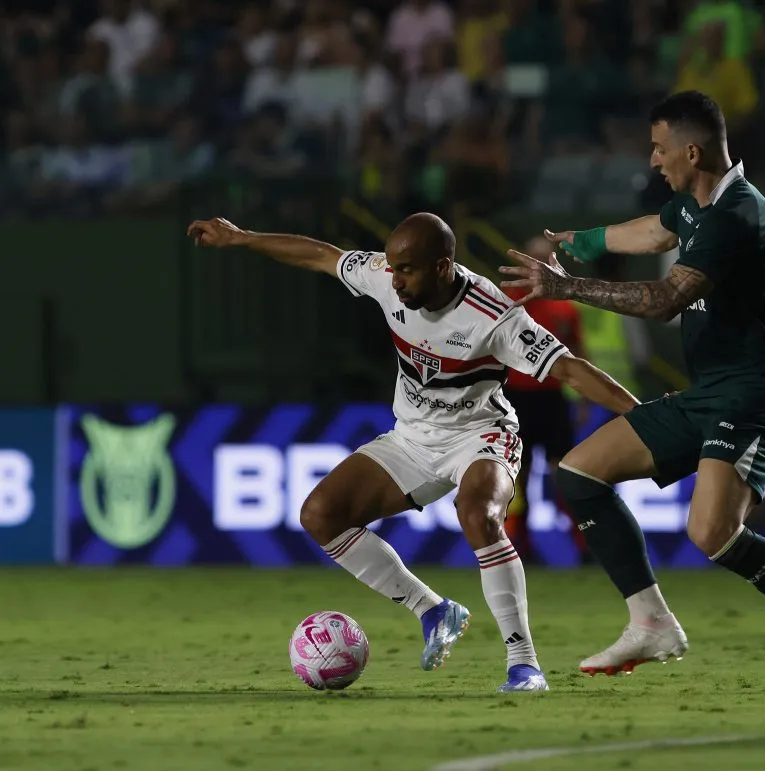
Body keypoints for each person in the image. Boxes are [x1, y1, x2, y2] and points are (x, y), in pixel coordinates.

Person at [500, 90, 765, 694]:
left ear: (691, 151)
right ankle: (650, 620)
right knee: (578, 473)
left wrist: (567, 286)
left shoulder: (738, 215)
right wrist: (588, 239)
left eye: (658, 148)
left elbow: (664, 298)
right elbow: (653, 231)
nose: (652, 161)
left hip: (757, 393)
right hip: (710, 393)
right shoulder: (695, 204)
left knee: (711, 533)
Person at [187, 212, 640, 692]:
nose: (395, 279)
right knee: (321, 514)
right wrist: (243, 237)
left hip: (481, 435)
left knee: (479, 513)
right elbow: (321, 255)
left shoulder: (494, 315)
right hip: (413, 438)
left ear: (443, 267)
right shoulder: (386, 276)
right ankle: (433, 610)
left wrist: (645, 416)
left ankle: (523, 663)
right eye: (393, 267)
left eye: (407, 270)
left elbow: (569, 370)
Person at [503, 235, 590, 563]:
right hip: (515, 401)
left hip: (552, 400)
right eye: (534, 259)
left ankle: (584, 547)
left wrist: (582, 399)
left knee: (564, 476)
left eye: (545, 260)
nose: (539, 266)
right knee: (515, 477)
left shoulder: (565, 308)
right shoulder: (507, 302)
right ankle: (517, 548)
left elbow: (578, 355)